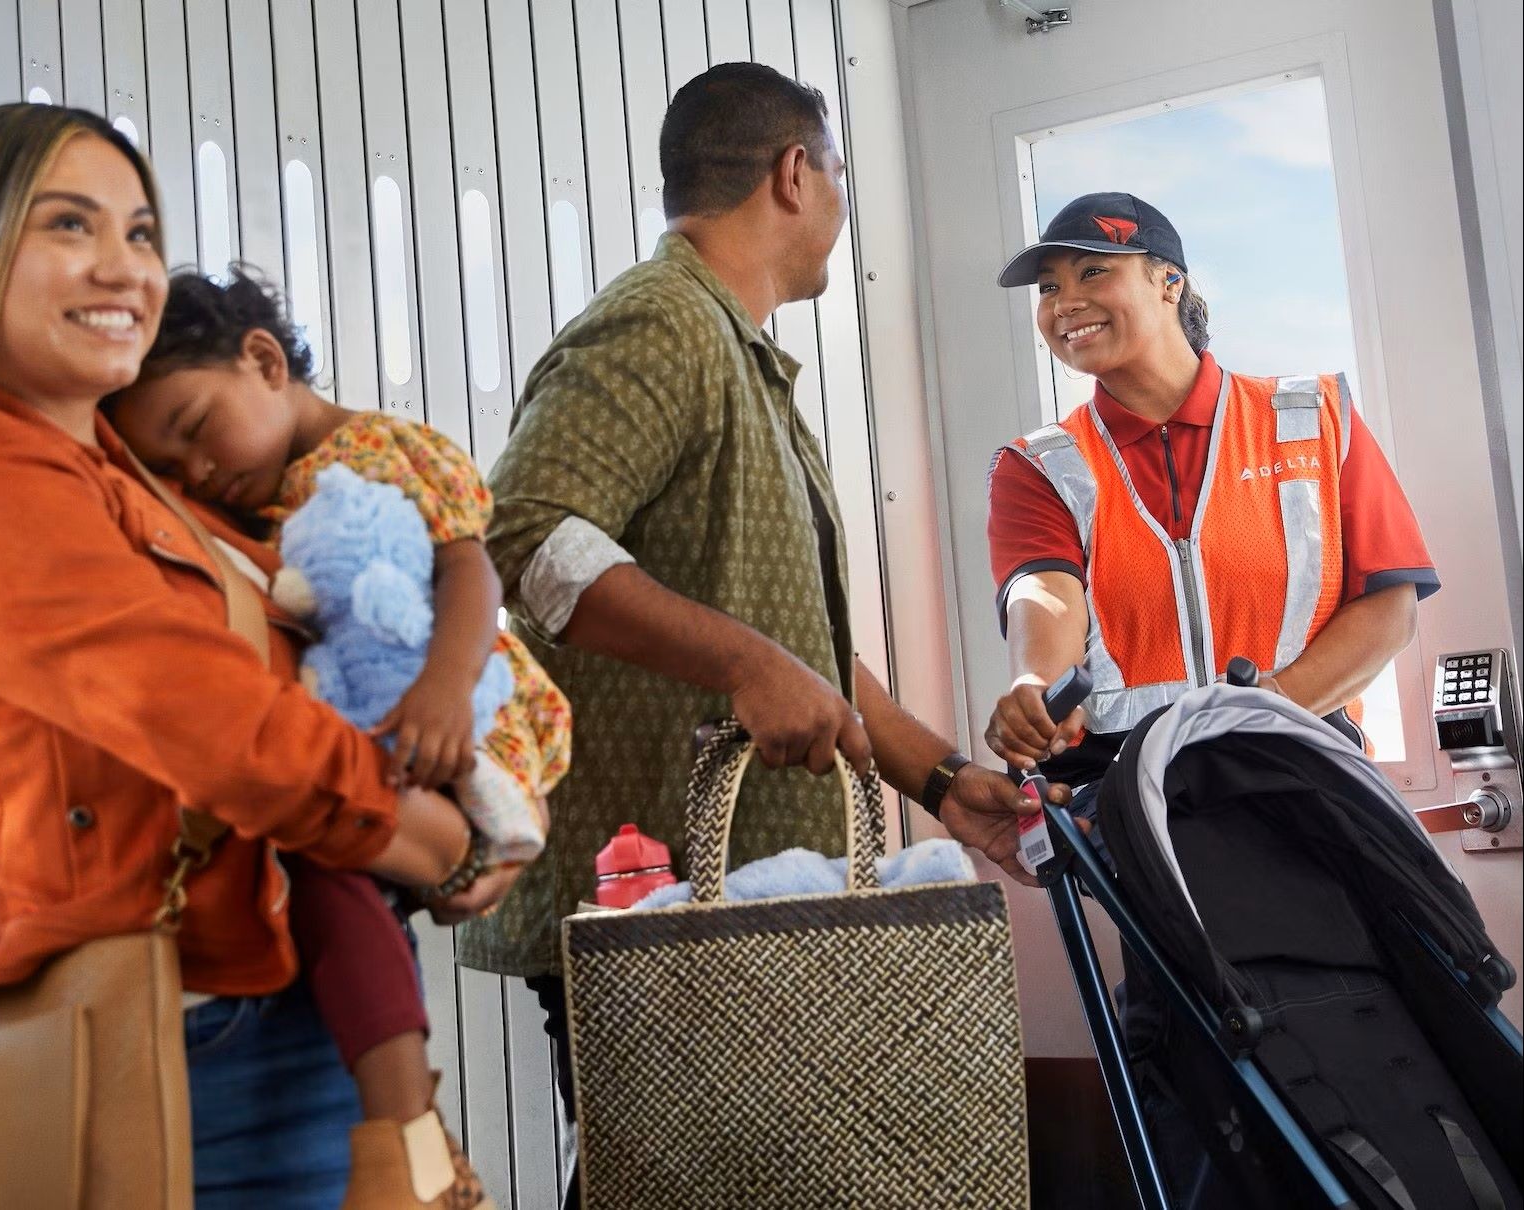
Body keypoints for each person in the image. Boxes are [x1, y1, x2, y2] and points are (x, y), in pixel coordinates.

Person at [459, 62, 1057, 1209]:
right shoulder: (660, 321)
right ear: (795, 173)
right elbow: (524, 534)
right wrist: (741, 663)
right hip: (658, 906)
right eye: (834, 177)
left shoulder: (741, 357)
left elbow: (802, 649)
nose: (837, 206)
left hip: (744, 901)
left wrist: (938, 779)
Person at [0, 103, 504, 1209]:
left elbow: (311, 642)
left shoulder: (131, 474)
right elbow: (213, 719)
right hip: (170, 1037)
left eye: (141, 232)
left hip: (270, 1010)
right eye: (69, 225)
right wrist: (429, 833)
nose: (123, 267)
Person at [984, 190, 1439, 1203]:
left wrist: (1243, 718)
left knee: (1363, 1053)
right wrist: (1027, 674)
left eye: (1090, 273)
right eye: (1046, 289)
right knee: (1201, 1083)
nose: (1063, 303)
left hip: (1315, 807)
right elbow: (1042, 589)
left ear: (1166, 279)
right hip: (1151, 828)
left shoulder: (1311, 414)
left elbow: (1385, 608)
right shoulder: (1039, 465)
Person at [106, 267, 573, 1208]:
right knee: (329, 871)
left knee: (333, 857)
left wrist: (444, 693)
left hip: (460, 716)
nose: (196, 472)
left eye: (195, 429)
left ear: (264, 360)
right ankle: (413, 1133)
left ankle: (407, 1131)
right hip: (385, 735)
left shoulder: (382, 447)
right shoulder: (252, 502)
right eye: (171, 466)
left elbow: (470, 573)